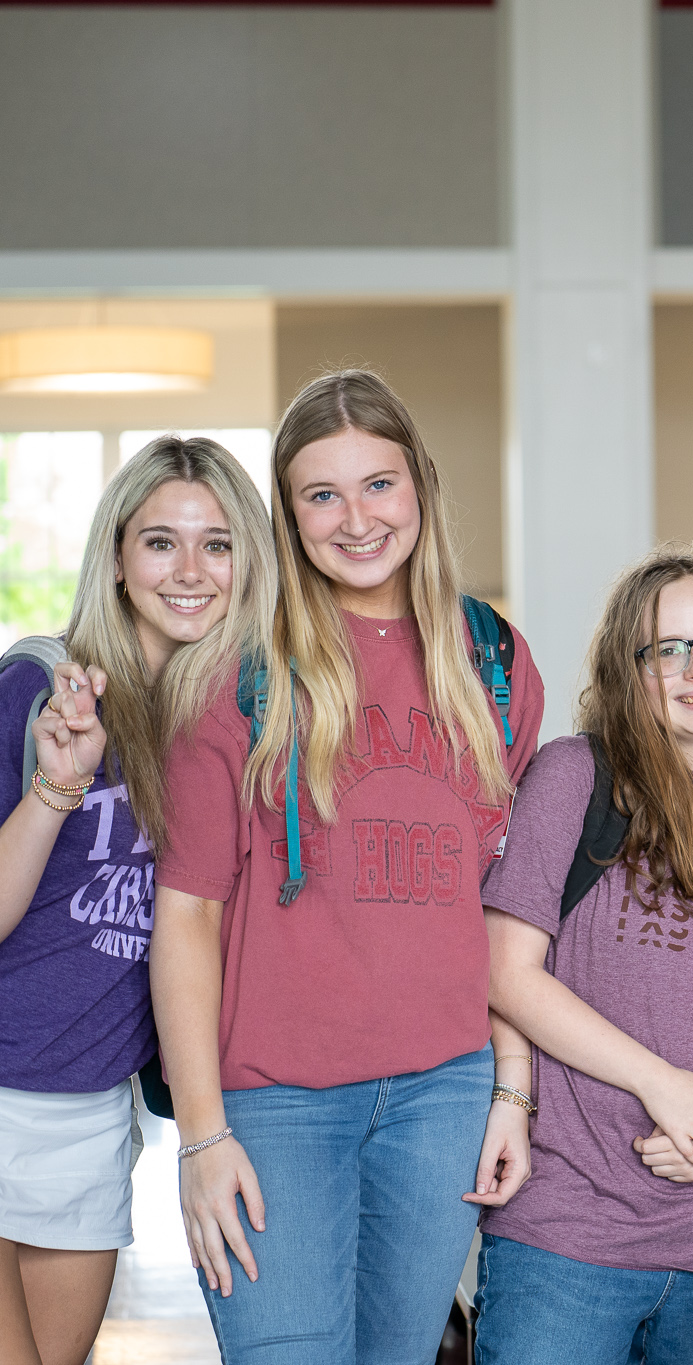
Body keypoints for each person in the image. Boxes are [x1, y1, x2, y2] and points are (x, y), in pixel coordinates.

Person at [151, 372, 544, 1363]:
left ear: (421, 488)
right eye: (321, 494)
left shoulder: (491, 660)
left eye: (379, 483)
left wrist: (511, 1089)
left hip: (443, 1096)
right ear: (287, 516)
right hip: (274, 1106)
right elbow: (187, 916)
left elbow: (506, 916)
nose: (356, 519)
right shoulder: (237, 671)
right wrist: (201, 1137)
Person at [474, 549, 693, 1364]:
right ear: (628, 673)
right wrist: (663, 1085)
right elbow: (506, 971)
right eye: (665, 649)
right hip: (571, 1222)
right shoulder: (577, 775)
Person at [0, 438, 273, 1365]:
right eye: (161, 542)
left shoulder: (233, 725)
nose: (190, 571)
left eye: (218, 543)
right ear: (117, 557)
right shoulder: (39, 689)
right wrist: (55, 785)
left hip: (90, 1111)